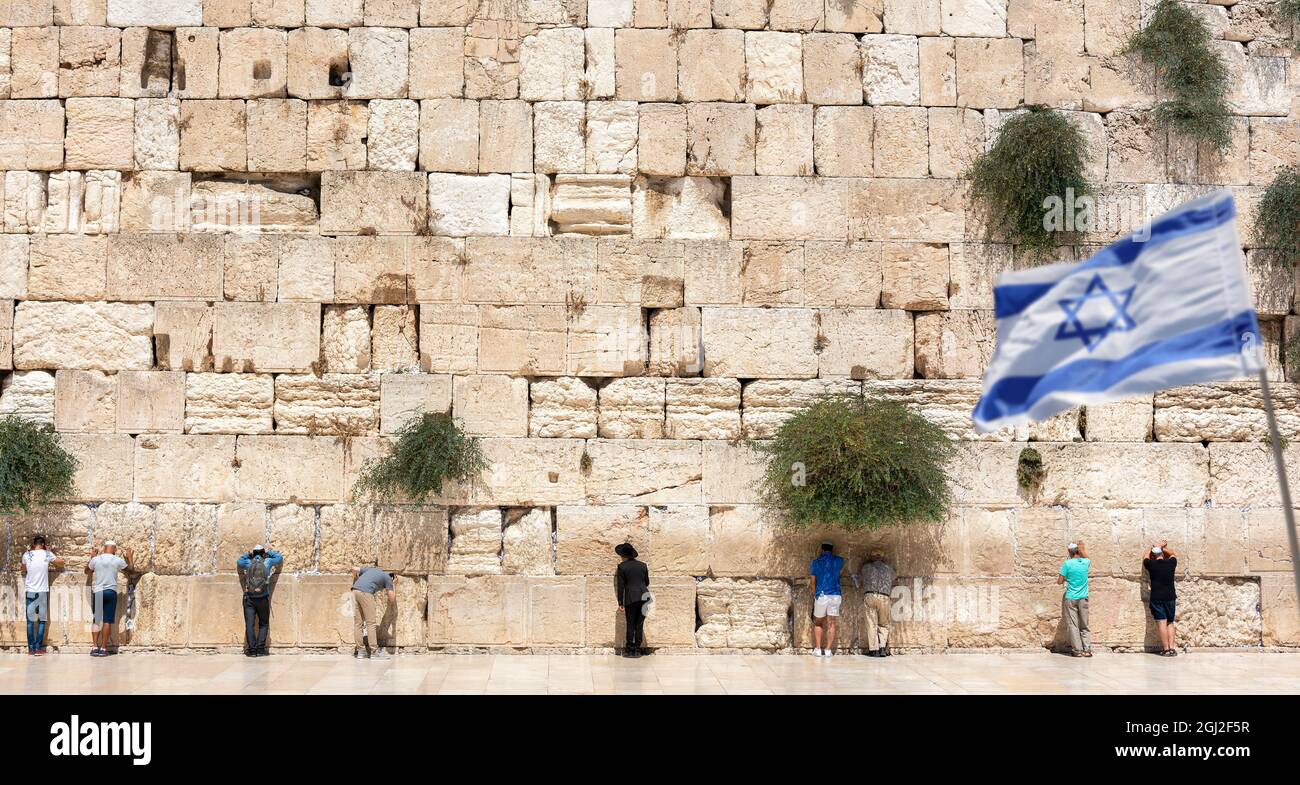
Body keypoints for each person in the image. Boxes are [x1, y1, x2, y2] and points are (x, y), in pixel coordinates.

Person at [85, 540, 133, 657]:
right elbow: (131, 570)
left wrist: (91, 557)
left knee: (97, 620)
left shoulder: (96, 560)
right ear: (115, 549)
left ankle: (95, 646)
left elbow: (87, 571)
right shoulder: (117, 560)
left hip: (98, 592)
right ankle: (103, 648)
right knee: (107, 621)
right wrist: (130, 557)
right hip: (110, 592)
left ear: (104, 548)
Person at [236, 545, 283, 657]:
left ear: (254, 552)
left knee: (250, 624)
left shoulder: (248, 563)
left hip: (249, 598)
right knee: (263, 624)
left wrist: (248, 554)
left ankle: (252, 650)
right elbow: (279, 558)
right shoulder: (267, 562)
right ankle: (261, 649)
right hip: (262, 598)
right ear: (262, 552)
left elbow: (239, 562)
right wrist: (269, 552)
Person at [21, 536, 65, 656]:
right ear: (44, 545)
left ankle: (31, 649)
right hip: (42, 591)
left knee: (30, 621)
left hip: (30, 591)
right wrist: (50, 552)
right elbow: (61, 563)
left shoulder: (27, 554)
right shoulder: (47, 554)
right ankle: (38, 648)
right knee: (41, 621)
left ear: (33, 545)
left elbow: (23, 569)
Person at [351, 566, 395, 660]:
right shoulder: (388, 578)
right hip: (366, 593)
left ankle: (361, 652)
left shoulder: (371, 570)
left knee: (358, 624)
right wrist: (393, 585)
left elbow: (354, 568)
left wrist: (355, 579)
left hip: (354, 590)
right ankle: (374, 652)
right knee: (371, 623)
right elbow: (391, 598)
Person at [1143, 541, 1178, 657]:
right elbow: (1173, 554)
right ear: (1162, 554)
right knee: (1170, 622)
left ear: (1153, 556)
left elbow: (1145, 556)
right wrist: (1162, 547)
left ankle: (1166, 649)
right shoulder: (1171, 563)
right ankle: (1172, 648)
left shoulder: (1151, 565)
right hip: (1170, 596)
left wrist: (1153, 548)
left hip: (1157, 597)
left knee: (1161, 622)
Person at [809, 542, 844, 657]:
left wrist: (815, 594)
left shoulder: (816, 562)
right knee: (832, 623)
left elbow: (813, 582)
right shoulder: (839, 561)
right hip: (835, 595)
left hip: (822, 595)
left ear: (822, 550)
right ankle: (828, 650)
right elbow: (840, 572)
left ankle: (818, 649)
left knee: (818, 622)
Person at [614, 543, 650, 657]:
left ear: (623, 555)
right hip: (644, 597)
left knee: (630, 624)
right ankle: (638, 649)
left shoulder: (622, 567)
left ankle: (630, 649)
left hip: (630, 598)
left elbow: (621, 586)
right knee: (639, 623)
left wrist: (620, 602)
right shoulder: (643, 565)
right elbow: (647, 582)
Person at [1057, 540, 1092, 657]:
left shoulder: (1067, 564)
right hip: (1083, 598)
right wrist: (1082, 549)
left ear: (1069, 552)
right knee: (1085, 624)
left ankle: (1077, 651)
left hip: (1071, 597)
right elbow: (1088, 558)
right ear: (1078, 551)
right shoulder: (1085, 562)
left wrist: (1068, 578)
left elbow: (1059, 581)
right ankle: (1087, 650)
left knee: (1073, 625)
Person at [859, 548, 895, 657]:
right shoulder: (889, 569)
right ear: (882, 557)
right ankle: (882, 647)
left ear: (872, 557)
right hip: (884, 596)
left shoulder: (866, 567)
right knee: (884, 623)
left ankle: (873, 650)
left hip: (870, 595)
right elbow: (893, 577)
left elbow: (861, 578)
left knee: (871, 623)